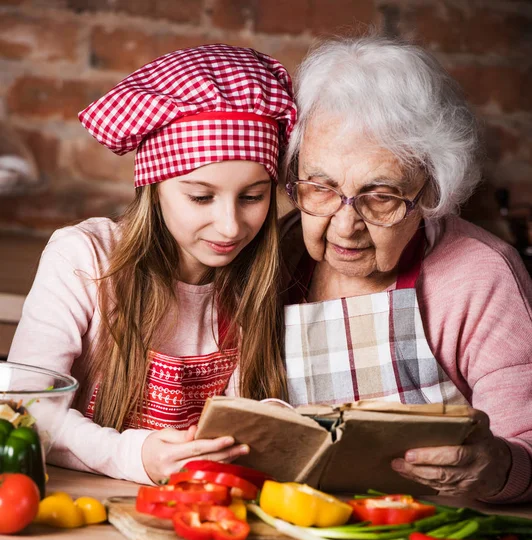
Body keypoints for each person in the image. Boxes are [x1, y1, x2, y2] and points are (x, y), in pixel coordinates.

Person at [8, 44, 296, 485]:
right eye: (201, 197)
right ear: (154, 188)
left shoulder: (264, 277)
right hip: (86, 500)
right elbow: (24, 407)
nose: (231, 225)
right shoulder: (84, 257)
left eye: (253, 196)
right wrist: (134, 455)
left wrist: (266, 425)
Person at [280, 36, 532, 503]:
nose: (345, 225)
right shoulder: (271, 256)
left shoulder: (481, 275)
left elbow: (527, 448)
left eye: (381, 196)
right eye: (320, 186)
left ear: (432, 192)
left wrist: (497, 468)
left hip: (429, 539)